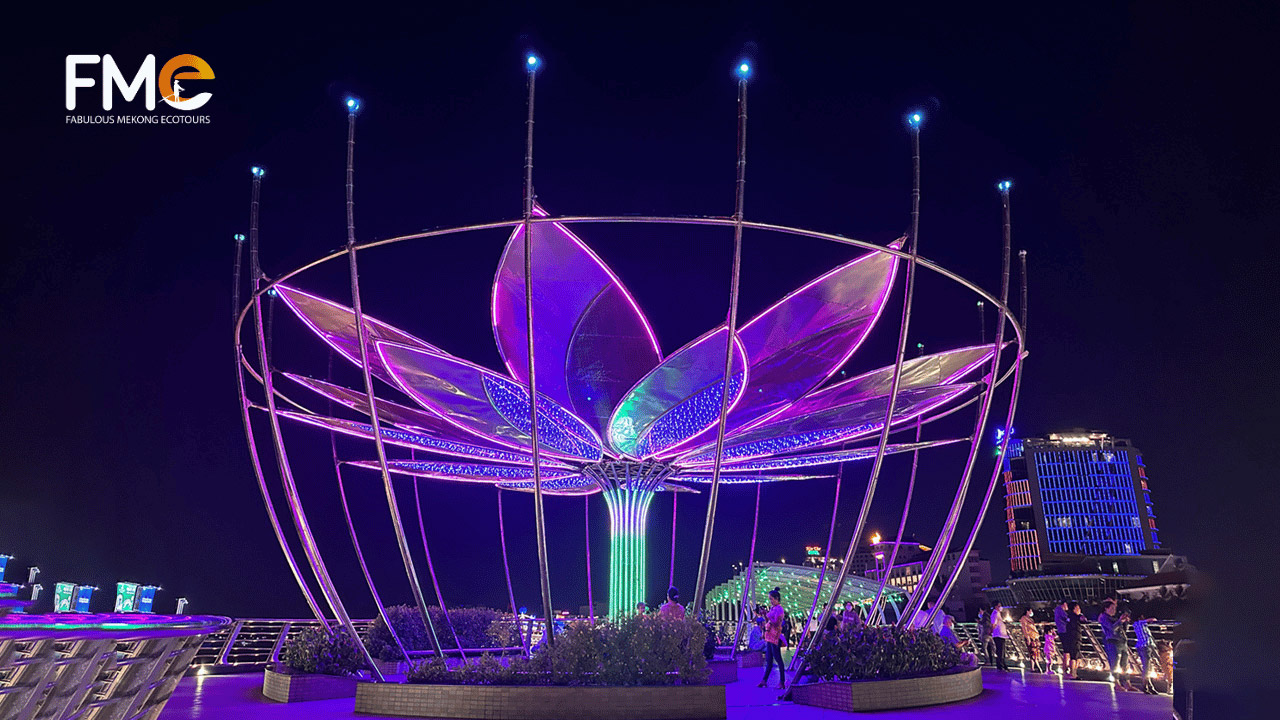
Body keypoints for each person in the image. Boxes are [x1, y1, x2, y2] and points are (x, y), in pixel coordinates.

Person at [758, 587, 787, 689]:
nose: (770, 601)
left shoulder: (779, 609)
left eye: (771, 599)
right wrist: (765, 615)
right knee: (769, 660)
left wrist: (767, 615)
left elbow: (776, 623)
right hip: (769, 637)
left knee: (778, 659)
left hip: (775, 637)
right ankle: (764, 680)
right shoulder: (773, 609)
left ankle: (782, 682)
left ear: (776, 598)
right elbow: (769, 621)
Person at [1133, 611, 1158, 694]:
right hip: (1144, 647)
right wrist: (1152, 620)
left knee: (1148, 667)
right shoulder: (1138, 624)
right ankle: (1145, 686)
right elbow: (1145, 621)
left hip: (1147, 647)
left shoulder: (1142, 625)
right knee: (1146, 668)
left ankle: (1149, 686)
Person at [1062, 602, 1083, 679]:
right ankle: (1073, 674)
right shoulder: (1075, 616)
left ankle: (1073, 673)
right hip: (1075, 637)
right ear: (1074, 609)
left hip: (1070, 637)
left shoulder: (1069, 616)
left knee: (1074, 655)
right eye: (1078, 608)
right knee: (1074, 656)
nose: (1079, 610)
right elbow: (1083, 619)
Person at [1053, 600, 1073, 677]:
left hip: (1061, 631)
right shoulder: (1059, 610)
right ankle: (1065, 668)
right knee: (1067, 650)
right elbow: (1067, 618)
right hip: (1064, 631)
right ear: (1064, 604)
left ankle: (1065, 668)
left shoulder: (1057, 610)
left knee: (1066, 650)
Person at [1020, 608, 1042, 672]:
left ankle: (1033, 667)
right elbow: (1024, 629)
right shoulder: (1023, 619)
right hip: (1030, 637)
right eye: (1030, 611)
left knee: (1036, 653)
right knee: (1033, 652)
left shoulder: (1030, 619)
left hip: (1035, 637)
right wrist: (1028, 638)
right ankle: (1037, 667)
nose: (1031, 612)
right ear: (1027, 611)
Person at [990, 603, 1009, 671]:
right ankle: (1001, 665)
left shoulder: (997, 613)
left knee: (1001, 651)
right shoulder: (995, 613)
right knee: (1000, 651)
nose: (1001, 607)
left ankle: (1002, 665)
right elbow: (993, 624)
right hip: (998, 634)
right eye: (999, 606)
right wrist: (991, 632)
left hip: (1000, 634)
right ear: (995, 607)